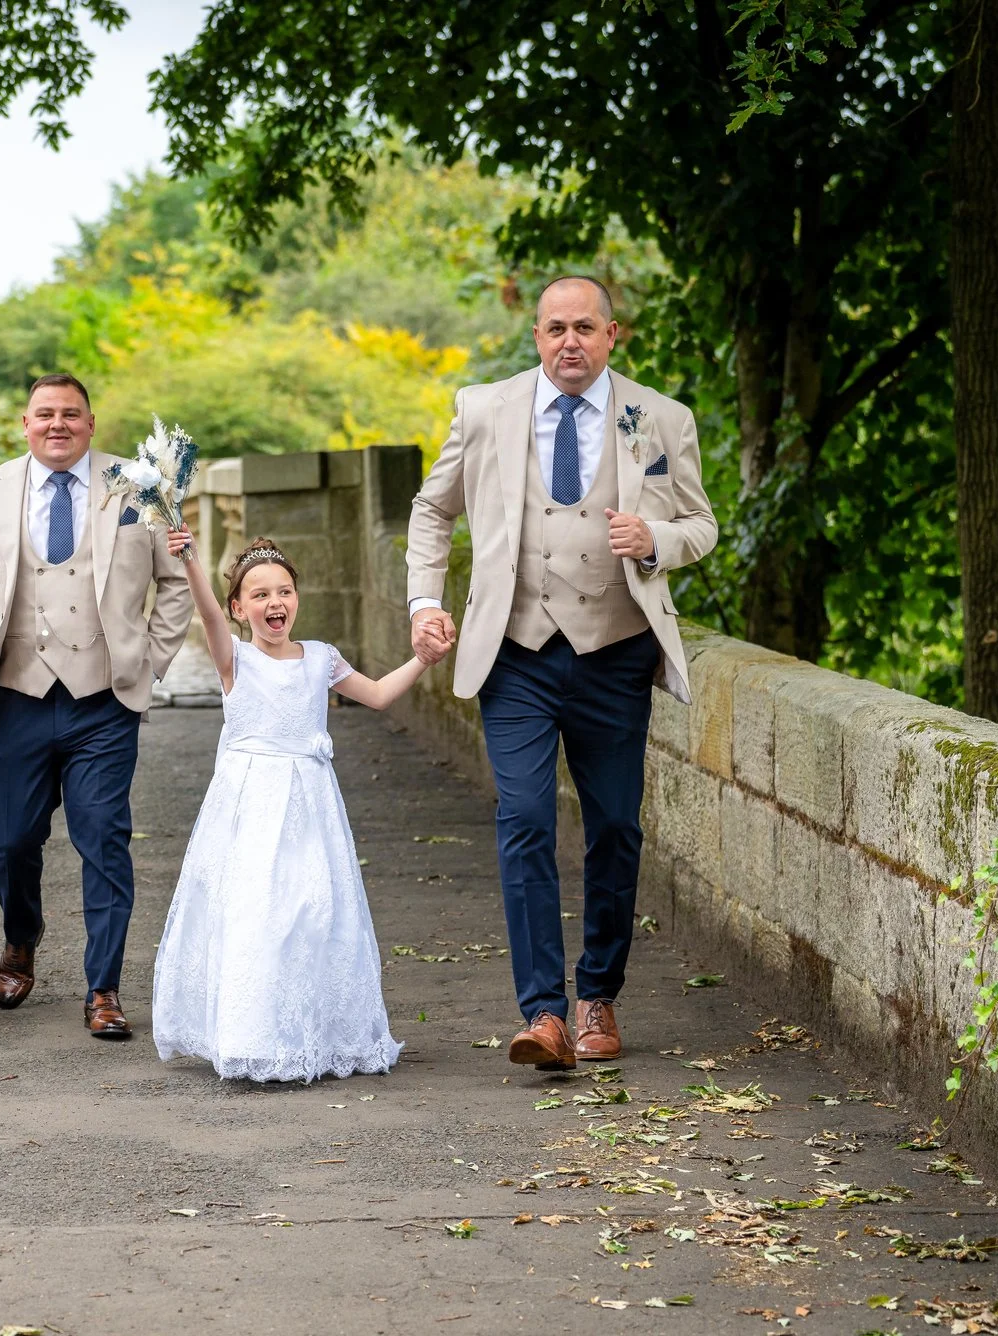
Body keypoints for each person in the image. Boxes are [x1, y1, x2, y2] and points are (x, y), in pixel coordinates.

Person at [404, 275, 716, 1070]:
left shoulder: (660, 418)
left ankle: (598, 995)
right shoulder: (484, 410)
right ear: (536, 337)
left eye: (585, 327)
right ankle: (543, 1013)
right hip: (515, 652)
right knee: (526, 822)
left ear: (614, 335)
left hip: (614, 653)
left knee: (614, 827)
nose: (569, 341)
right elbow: (433, 509)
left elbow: (700, 524)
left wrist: (653, 539)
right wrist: (422, 603)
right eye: (554, 329)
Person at [0, 374, 194, 1039]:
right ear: (24, 422)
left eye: (71, 414)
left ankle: (103, 987)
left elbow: (175, 587)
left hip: (103, 700)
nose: (58, 424)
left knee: (104, 838)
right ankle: (20, 937)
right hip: (15, 695)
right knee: (13, 839)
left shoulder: (143, 482)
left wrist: (150, 662)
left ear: (91, 422)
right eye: (44, 414)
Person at [150, 534, 428, 1082]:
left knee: (314, 909)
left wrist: (423, 658)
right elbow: (205, 613)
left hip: (312, 803)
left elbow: (375, 695)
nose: (274, 603)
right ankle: (251, 1034)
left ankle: (315, 1033)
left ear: (296, 597)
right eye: (259, 595)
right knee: (257, 911)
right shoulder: (236, 658)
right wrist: (188, 562)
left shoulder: (321, 658)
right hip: (252, 802)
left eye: (284, 591)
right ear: (239, 608)